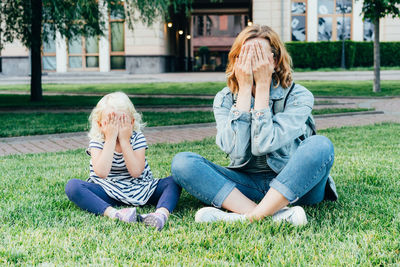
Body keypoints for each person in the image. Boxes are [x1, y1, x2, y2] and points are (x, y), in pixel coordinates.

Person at [171, 25, 337, 226]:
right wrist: (245, 90)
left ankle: (250, 218)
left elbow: (264, 144)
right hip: (245, 185)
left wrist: (263, 88)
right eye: (247, 55)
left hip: (297, 185)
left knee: (321, 145)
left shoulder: (299, 96)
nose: (253, 61)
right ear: (236, 61)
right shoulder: (224, 99)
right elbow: (236, 151)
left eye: (259, 55)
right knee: (182, 163)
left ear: (275, 61)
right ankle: (274, 215)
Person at [65, 92, 181, 230]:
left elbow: (136, 171)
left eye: (122, 122)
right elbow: (101, 172)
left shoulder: (137, 138)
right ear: (100, 124)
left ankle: (160, 215)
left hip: (141, 188)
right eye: (111, 122)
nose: (116, 127)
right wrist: (110, 139)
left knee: (174, 181)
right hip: (107, 190)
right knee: (73, 186)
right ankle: (115, 214)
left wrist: (125, 141)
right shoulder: (98, 141)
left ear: (131, 122)